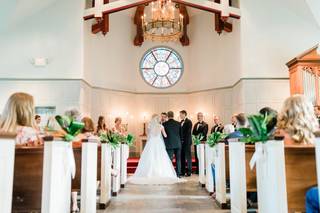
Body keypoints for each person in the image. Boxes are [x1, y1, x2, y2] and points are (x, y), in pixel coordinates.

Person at [128, 114, 181, 184]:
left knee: (150, 157)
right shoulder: (161, 126)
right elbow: (165, 135)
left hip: (151, 143)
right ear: (158, 119)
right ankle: (160, 172)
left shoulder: (149, 126)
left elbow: (149, 135)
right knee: (159, 157)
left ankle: (149, 172)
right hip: (158, 143)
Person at [163, 111, 182, 178]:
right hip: (178, 144)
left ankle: (170, 174)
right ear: (173, 115)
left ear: (167, 116)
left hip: (169, 144)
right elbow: (181, 134)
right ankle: (178, 174)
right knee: (178, 159)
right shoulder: (178, 123)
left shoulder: (164, 124)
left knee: (169, 160)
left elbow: (164, 135)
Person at [180, 110, 193, 177]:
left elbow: (188, 132)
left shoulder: (189, 122)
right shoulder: (180, 122)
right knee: (182, 156)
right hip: (181, 142)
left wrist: (183, 139)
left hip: (187, 141)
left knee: (188, 157)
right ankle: (182, 171)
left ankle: (189, 171)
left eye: (181, 114)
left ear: (184, 114)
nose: (180, 116)